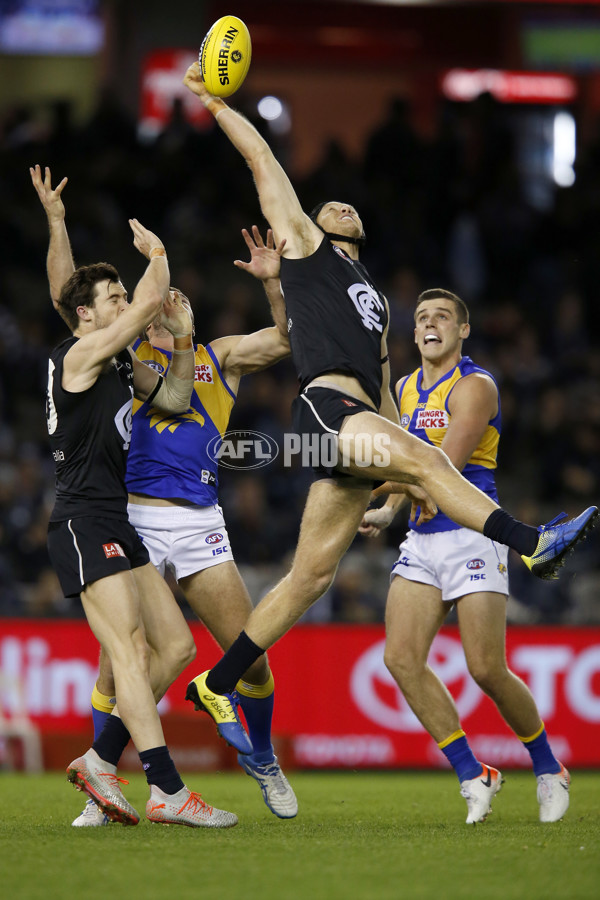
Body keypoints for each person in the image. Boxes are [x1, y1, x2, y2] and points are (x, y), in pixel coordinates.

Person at [181, 63, 598, 752]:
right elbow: (260, 157)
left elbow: (380, 399)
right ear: (303, 228)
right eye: (327, 207)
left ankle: (218, 682)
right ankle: (533, 545)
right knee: (431, 461)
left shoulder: (369, 302)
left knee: (311, 576)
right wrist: (212, 101)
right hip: (324, 413)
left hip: (356, 425)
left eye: (347, 210)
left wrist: (397, 486)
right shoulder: (307, 249)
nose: (339, 207)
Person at [31, 165, 297, 823]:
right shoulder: (99, 351)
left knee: (194, 653)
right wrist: (151, 258)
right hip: (115, 514)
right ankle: (145, 788)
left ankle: (120, 767)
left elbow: (182, 394)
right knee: (120, 660)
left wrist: (204, 323)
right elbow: (73, 299)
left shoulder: (147, 363)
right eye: (116, 296)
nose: (133, 301)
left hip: (188, 519)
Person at [360, 288, 570, 824]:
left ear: (463, 331)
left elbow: (441, 465)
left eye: (444, 318)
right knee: (400, 659)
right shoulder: (405, 388)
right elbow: (409, 466)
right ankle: (473, 773)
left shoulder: (476, 386)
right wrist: (388, 511)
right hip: (423, 540)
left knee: (485, 667)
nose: (431, 324)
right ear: (414, 333)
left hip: (474, 533)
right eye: (423, 318)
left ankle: (548, 767)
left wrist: (383, 491)